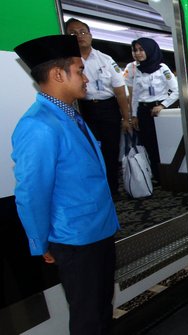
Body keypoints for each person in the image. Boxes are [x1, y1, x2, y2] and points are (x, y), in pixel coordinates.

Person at [12, 35, 119, 335]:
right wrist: (41, 241)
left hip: (99, 231)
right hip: (75, 240)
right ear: (59, 74)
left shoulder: (71, 116)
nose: (86, 78)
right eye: (79, 70)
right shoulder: (39, 125)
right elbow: (31, 193)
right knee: (87, 318)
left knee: (101, 308)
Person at [65, 18, 132, 198]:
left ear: (91, 36)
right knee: (88, 153)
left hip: (108, 109)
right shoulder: (66, 62)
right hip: (82, 109)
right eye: (73, 33)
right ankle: (95, 191)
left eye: (83, 32)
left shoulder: (106, 59)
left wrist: (126, 119)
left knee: (110, 152)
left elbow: (120, 92)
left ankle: (111, 191)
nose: (79, 36)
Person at [126, 37, 179, 184]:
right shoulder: (137, 70)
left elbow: (176, 91)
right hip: (143, 112)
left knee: (163, 145)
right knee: (149, 145)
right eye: (135, 50)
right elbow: (135, 95)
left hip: (158, 112)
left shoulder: (162, 68)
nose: (137, 53)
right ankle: (157, 176)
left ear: (149, 50)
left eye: (141, 49)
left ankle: (168, 176)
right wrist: (134, 115)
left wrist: (162, 105)